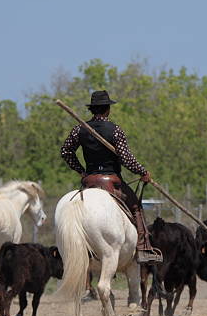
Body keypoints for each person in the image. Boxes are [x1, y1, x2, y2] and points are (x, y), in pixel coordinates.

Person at [60, 90, 163, 263]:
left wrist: (81, 171)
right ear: (108, 109)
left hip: (90, 181)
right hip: (111, 182)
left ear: (92, 110)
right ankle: (143, 249)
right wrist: (142, 172)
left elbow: (66, 152)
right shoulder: (115, 130)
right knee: (136, 207)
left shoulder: (79, 129)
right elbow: (126, 159)